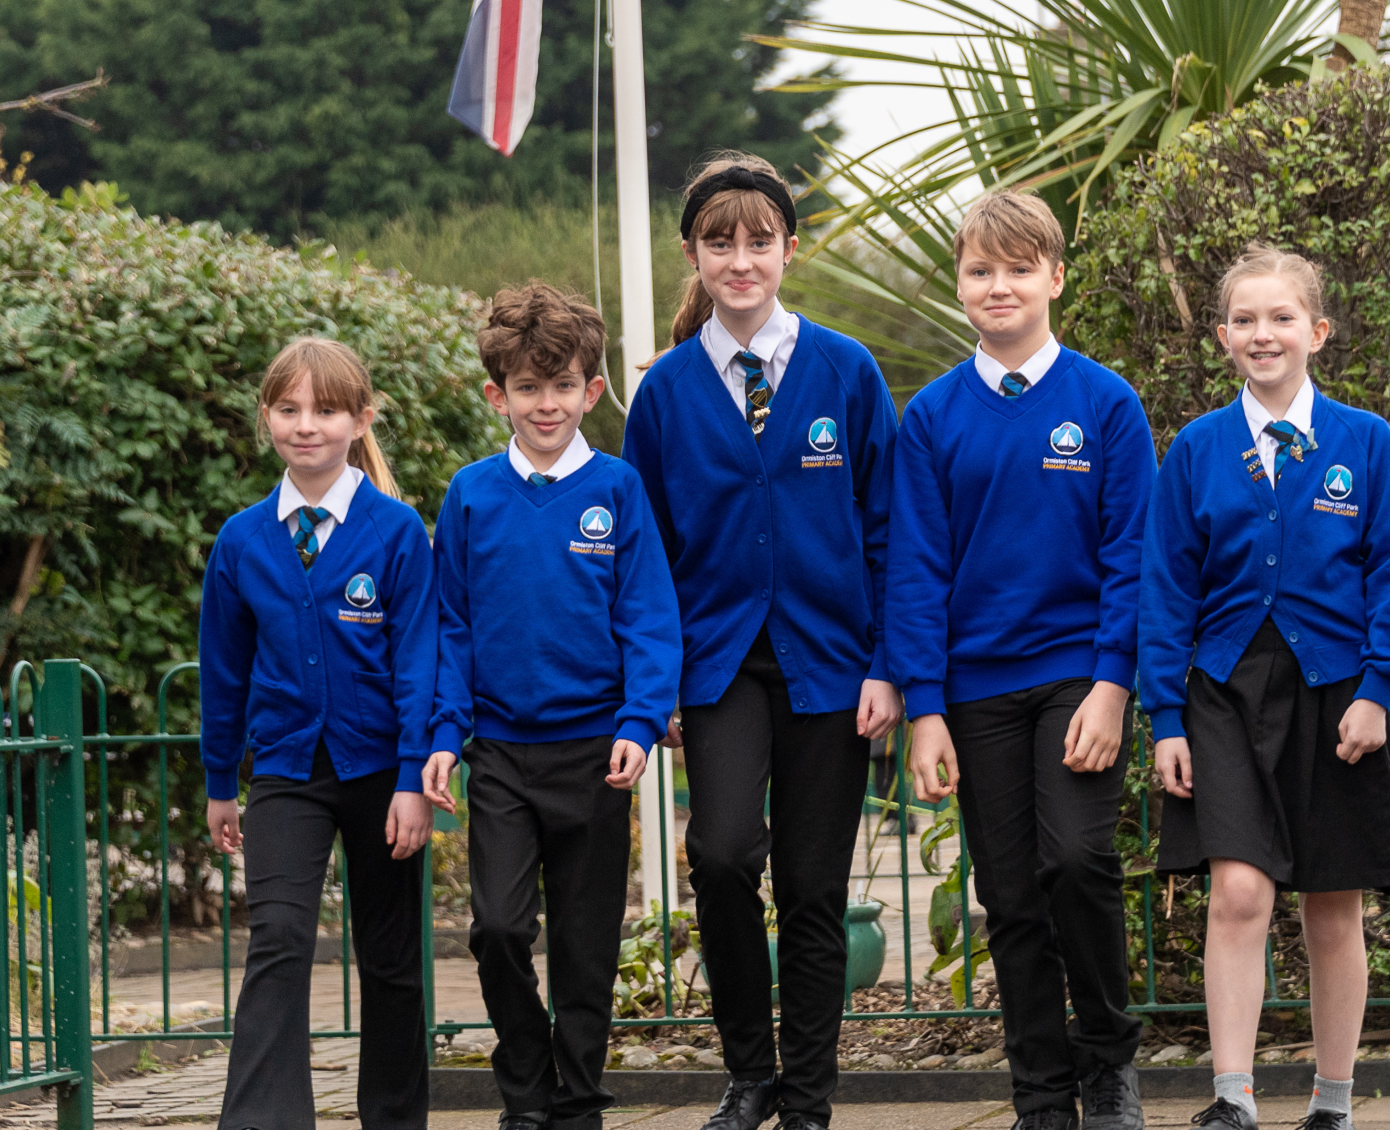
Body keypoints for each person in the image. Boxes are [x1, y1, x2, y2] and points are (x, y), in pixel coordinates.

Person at [622, 152, 901, 1130]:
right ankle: (749, 1074)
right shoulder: (663, 394)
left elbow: (888, 531)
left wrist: (887, 665)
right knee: (724, 853)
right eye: (718, 242)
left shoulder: (846, 370)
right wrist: (653, 684)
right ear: (692, 254)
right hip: (718, 665)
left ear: (789, 249)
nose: (739, 260)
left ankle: (808, 1097)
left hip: (832, 664)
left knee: (815, 887)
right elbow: (644, 557)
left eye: (758, 241)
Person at [1139, 246, 1390, 1130]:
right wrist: (1165, 716)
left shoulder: (1366, 443)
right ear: (1223, 336)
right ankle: (1233, 1094)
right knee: (1239, 891)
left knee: (1333, 906)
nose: (1263, 334)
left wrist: (1378, 687)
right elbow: (1166, 588)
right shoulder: (1197, 448)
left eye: (1282, 317)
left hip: (1337, 694)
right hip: (1223, 692)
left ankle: (1332, 1100)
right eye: (1245, 320)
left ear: (1318, 331)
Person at [887, 188, 1155, 1130]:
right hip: (974, 691)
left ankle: (1108, 1058)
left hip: (1080, 677)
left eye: (1018, 268)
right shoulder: (931, 416)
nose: (998, 285)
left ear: (1055, 278)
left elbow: (1132, 555)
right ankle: (1040, 1094)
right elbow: (915, 568)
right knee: (1007, 894)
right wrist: (925, 707)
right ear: (960, 283)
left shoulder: (1106, 403)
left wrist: (1114, 685)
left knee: (1078, 860)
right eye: (980, 269)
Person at [422, 283, 681, 1130]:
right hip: (500, 753)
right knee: (498, 927)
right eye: (528, 387)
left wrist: (640, 719)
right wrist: (444, 734)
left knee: (585, 944)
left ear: (591, 389)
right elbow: (451, 626)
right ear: (497, 394)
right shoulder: (471, 494)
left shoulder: (618, 489)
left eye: (563, 385)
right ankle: (526, 1081)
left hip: (596, 754)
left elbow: (648, 617)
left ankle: (574, 1106)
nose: (546, 403)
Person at [200, 336, 437, 1130]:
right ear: (267, 416)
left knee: (391, 954)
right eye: (290, 408)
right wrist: (220, 781)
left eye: (327, 410)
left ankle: (394, 1119)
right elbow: (224, 670)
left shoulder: (396, 532)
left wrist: (413, 776)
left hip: (382, 774)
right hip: (286, 770)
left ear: (360, 419)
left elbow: (419, 663)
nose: (307, 425)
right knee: (277, 936)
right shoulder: (242, 540)